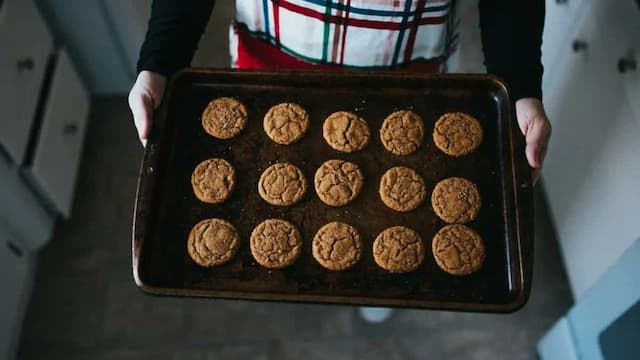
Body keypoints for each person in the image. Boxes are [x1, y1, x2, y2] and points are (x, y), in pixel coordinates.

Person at [129, 0, 551, 322]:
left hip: (410, 72)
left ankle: (375, 295)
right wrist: (161, 60)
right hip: (271, 62)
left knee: (386, 245)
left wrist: (520, 83)